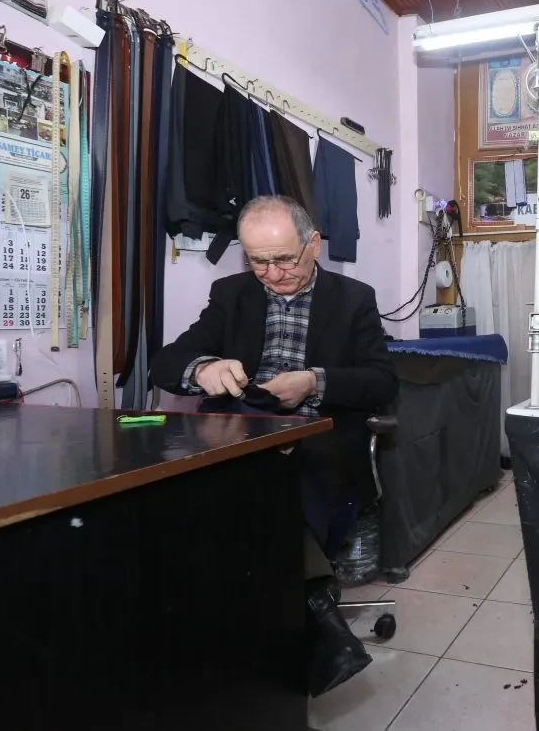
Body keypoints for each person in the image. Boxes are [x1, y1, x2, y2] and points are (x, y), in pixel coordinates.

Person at [150, 194, 398, 698]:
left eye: (284, 259)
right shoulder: (232, 294)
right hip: (239, 432)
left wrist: (314, 382)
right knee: (194, 494)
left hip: (318, 434)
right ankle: (313, 619)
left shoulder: (353, 298)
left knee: (278, 493)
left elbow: (381, 381)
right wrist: (203, 368)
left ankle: (287, 627)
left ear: (314, 245)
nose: (272, 274)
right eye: (258, 261)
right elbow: (166, 363)